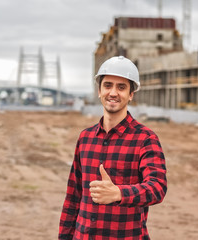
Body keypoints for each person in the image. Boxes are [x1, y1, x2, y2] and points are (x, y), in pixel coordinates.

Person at [59, 56, 167, 240]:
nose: (113, 93)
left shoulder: (145, 139)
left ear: (131, 94)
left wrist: (119, 193)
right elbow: (73, 196)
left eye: (121, 87)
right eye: (108, 85)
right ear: (99, 91)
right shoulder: (85, 138)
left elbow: (157, 187)